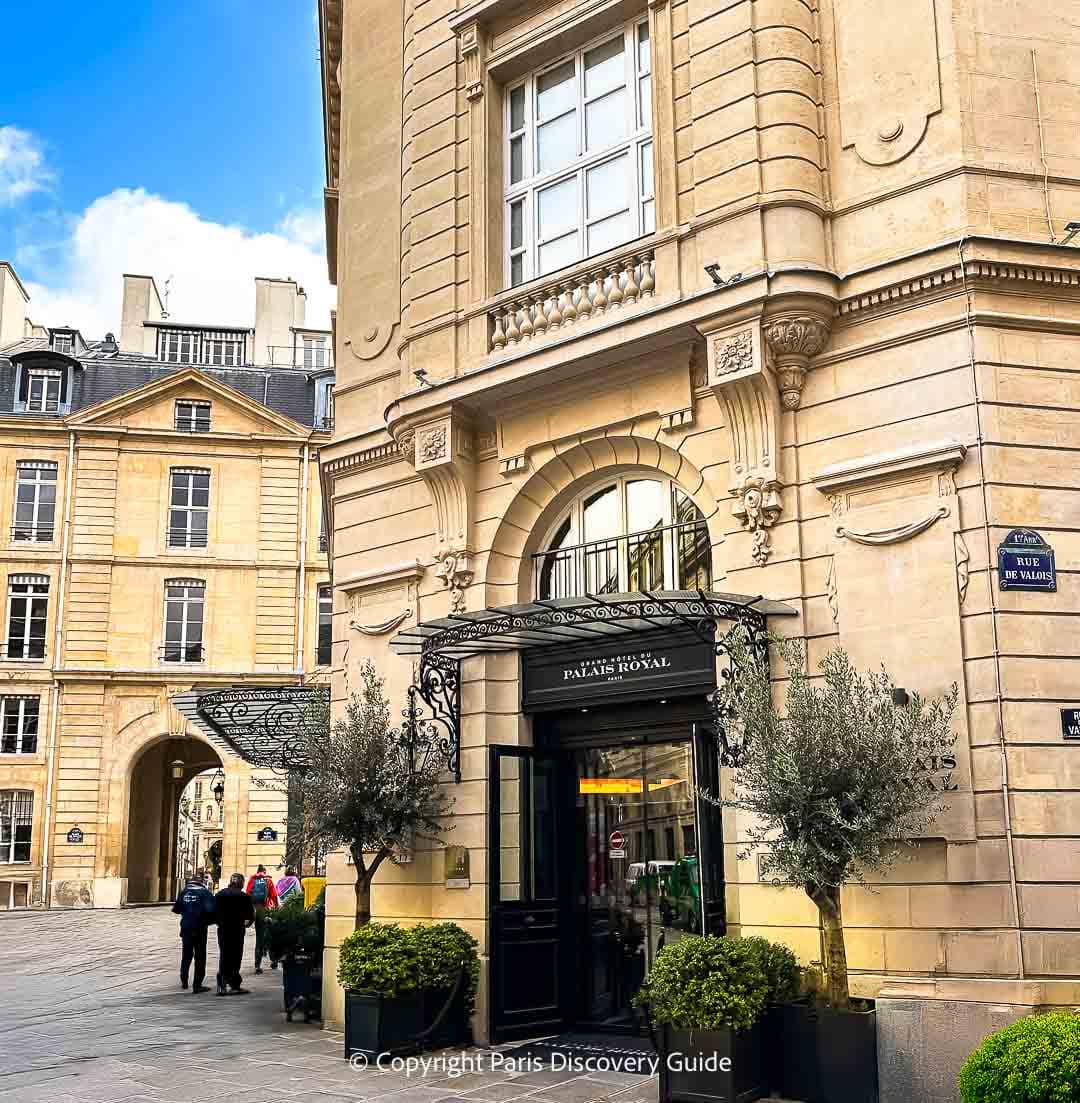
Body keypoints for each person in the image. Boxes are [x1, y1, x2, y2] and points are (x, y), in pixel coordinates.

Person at [172, 868, 214, 993]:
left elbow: (177, 909)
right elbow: (211, 910)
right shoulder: (205, 893)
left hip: (186, 927)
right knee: (200, 956)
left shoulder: (184, 892)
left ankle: (184, 980)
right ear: (201, 881)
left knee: (186, 954)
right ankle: (197, 984)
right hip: (200, 928)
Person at [213, 872, 255, 995]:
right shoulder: (244, 896)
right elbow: (251, 916)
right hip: (237, 930)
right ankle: (234, 984)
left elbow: (213, 913)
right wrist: (245, 924)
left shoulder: (219, 895)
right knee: (236, 957)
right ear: (241, 883)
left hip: (223, 930)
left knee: (224, 955)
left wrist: (220, 923)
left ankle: (221, 985)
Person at [245, 864, 278, 974]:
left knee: (259, 938)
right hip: (265, 910)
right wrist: (276, 906)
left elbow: (247, 894)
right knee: (270, 935)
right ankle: (274, 960)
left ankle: (257, 965)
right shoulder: (268, 880)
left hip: (255, 910)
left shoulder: (252, 880)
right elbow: (274, 895)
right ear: (264, 871)